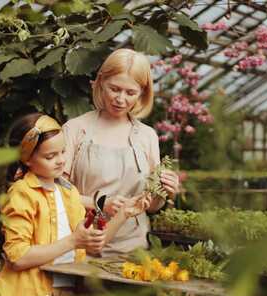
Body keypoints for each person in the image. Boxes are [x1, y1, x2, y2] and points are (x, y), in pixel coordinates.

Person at [0, 113, 140, 296]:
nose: (61, 160)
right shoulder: (22, 193)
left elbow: (94, 244)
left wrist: (123, 214)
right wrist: (73, 241)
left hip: (68, 293)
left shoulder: (68, 191)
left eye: (63, 152)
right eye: (50, 156)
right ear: (27, 159)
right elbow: (18, 257)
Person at [62, 48, 180, 257]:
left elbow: (151, 205)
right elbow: (56, 193)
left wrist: (167, 191)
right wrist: (100, 204)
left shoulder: (147, 136)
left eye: (130, 93)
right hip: (81, 246)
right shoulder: (75, 129)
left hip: (132, 250)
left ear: (142, 93)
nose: (120, 99)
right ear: (100, 83)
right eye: (114, 89)